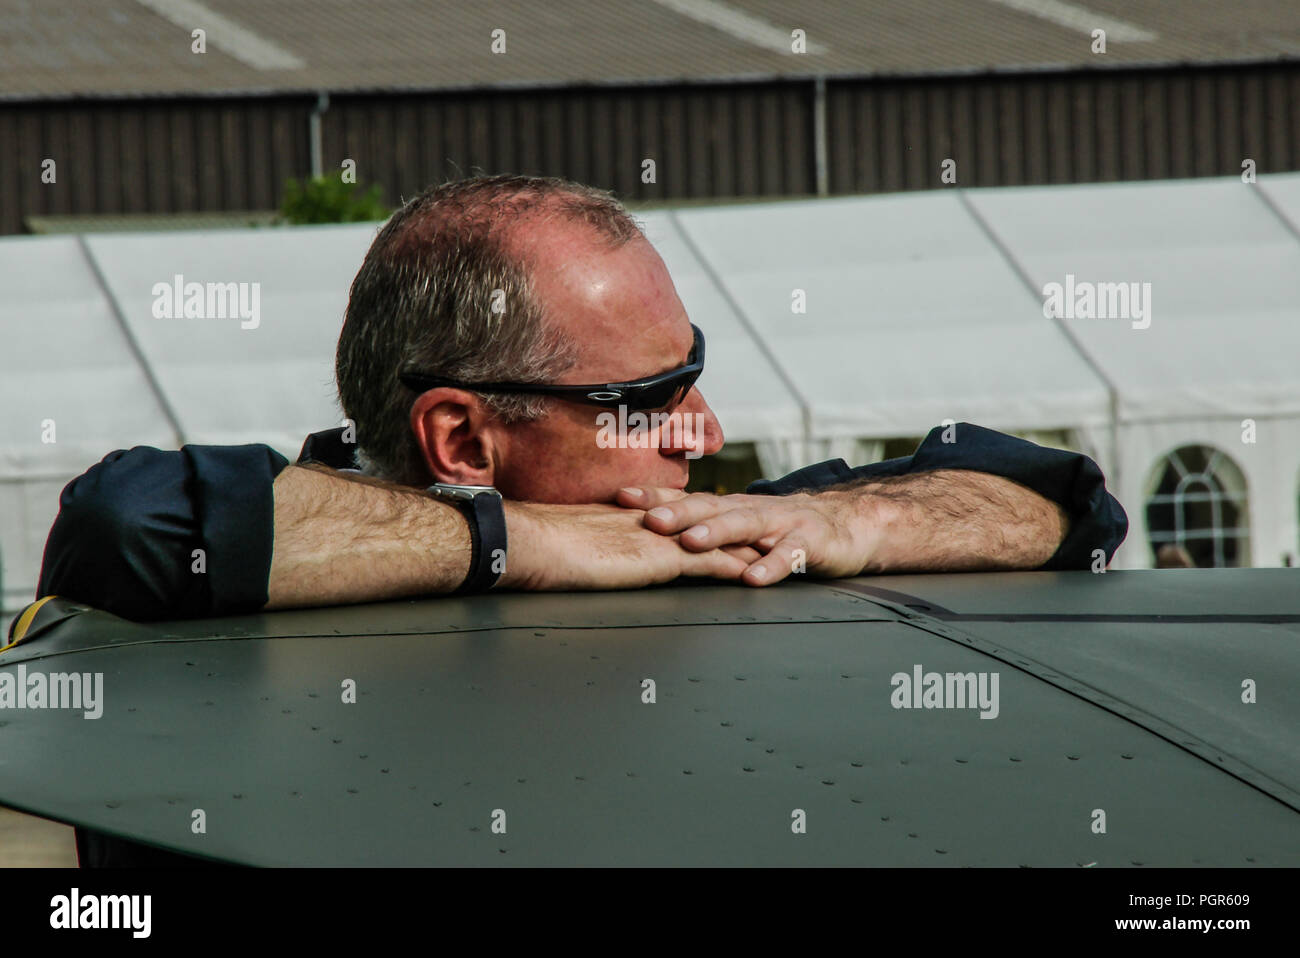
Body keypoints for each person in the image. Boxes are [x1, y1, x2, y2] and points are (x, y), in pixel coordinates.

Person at [31, 173, 1127, 865]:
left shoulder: (702, 529)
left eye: (690, 374)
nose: (704, 432)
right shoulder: (231, 554)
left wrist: (866, 524)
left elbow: (1052, 497)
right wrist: (526, 540)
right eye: (646, 402)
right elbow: (128, 521)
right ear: (462, 443)